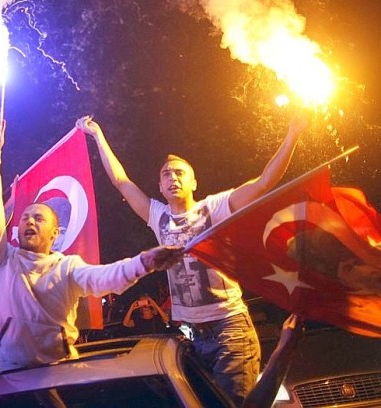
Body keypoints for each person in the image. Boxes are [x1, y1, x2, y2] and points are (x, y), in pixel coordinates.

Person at [77, 113, 309, 405]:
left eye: (179, 173)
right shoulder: (158, 216)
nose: (172, 178)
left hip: (229, 329)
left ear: (193, 182)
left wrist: (293, 134)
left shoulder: (215, 207)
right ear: (160, 188)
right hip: (190, 336)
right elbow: (121, 181)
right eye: (165, 175)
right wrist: (97, 135)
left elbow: (263, 183)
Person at [0, 118, 185, 372]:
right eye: (25, 217)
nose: (29, 220)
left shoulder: (67, 267)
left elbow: (106, 277)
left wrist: (144, 262)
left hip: (61, 371)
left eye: (38, 217)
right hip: (11, 376)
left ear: (55, 233)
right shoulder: (1, 260)